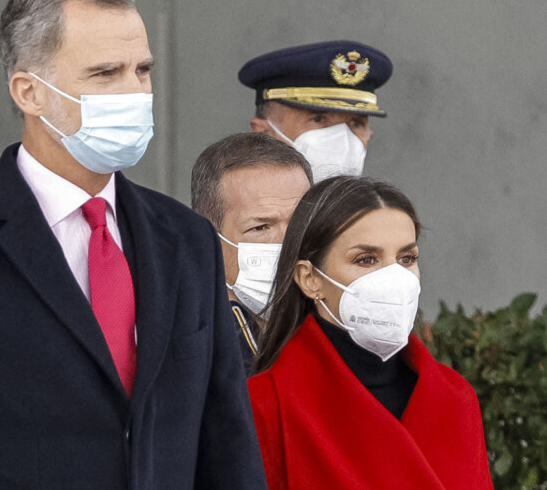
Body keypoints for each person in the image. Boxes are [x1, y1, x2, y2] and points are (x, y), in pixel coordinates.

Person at [0, 0, 267, 490]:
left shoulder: (187, 239)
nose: (134, 92)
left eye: (142, 70)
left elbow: (226, 439)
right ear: (28, 93)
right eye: (105, 73)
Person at [249, 176, 493, 489]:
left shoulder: (456, 398)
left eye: (407, 258)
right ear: (310, 279)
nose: (394, 277)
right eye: (366, 259)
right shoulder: (264, 406)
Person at [191, 132, 312, 373]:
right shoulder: (191, 353)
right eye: (261, 227)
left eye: (301, 222)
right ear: (207, 238)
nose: (289, 243)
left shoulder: (339, 334)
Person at [239, 40, 393, 183]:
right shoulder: (228, 209)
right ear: (263, 135)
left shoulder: (389, 211)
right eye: (318, 119)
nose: (343, 139)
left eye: (356, 123)